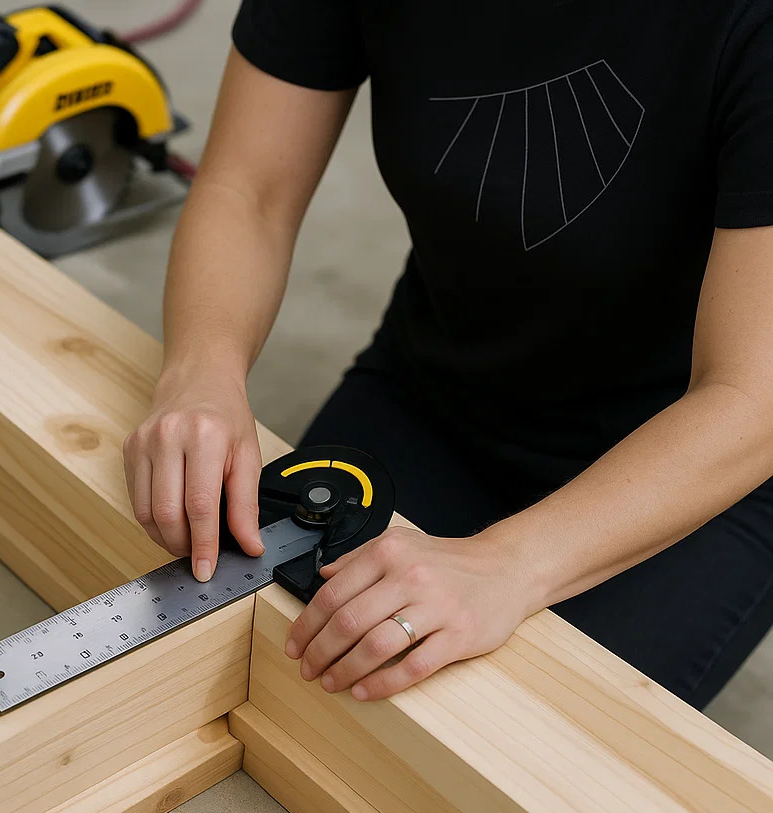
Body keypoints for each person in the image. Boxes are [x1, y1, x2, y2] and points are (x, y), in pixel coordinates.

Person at [123, 0, 773, 710]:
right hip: (442, 381)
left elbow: (750, 397)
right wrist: (201, 375)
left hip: (703, 461)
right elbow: (250, 189)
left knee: (511, 763)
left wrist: (510, 564)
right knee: (275, 658)